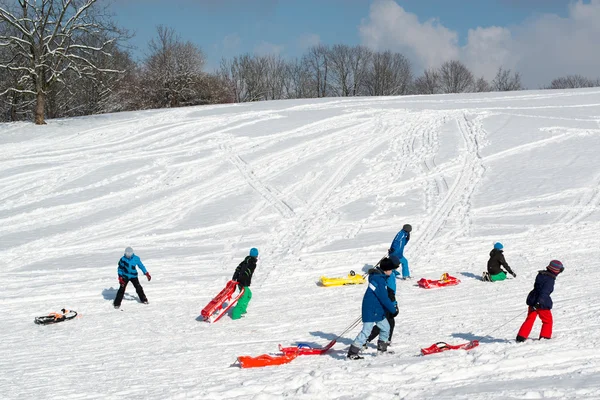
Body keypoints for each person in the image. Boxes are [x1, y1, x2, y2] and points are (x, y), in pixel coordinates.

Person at [347, 260, 399, 360]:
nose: (392, 272)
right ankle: (352, 353)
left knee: (385, 328)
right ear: (386, 270)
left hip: (377, 309)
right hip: (371, 309)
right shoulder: (379, 280)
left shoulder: (380, 278)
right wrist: (393, 310)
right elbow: (384, 298)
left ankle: (382, 351)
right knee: (366, 331)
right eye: (391, 269)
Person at [516, 260, 564, 342]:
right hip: (542, 303)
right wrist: (539, 302)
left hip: (533, 298)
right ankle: (545, 337)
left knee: (530, 318)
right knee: (547, 321)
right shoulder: (550, 279)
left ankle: (521, 336)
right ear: (556, 271)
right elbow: (544, 292)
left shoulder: (541, 274)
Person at [365, 255, 401, 346]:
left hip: (389, 297)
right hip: (388, 298)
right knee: (385, 322)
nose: (396, 268)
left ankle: (386, 340)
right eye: (396, 266)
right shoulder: (386, 276)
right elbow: (387, 292)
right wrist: (393, 303)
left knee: (388, 321)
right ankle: (368, 339)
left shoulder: (390, 274)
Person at [231, 248, 258, 320]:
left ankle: (242, 309)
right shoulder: (251, 263)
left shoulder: (246, 261)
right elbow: (246, 272)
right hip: (243, 283)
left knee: (249, 294)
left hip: (241, 281)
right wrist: (244, 283)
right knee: (244, 297)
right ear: (256, 255)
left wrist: (235, 277)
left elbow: (238, 268)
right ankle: (236, 314)